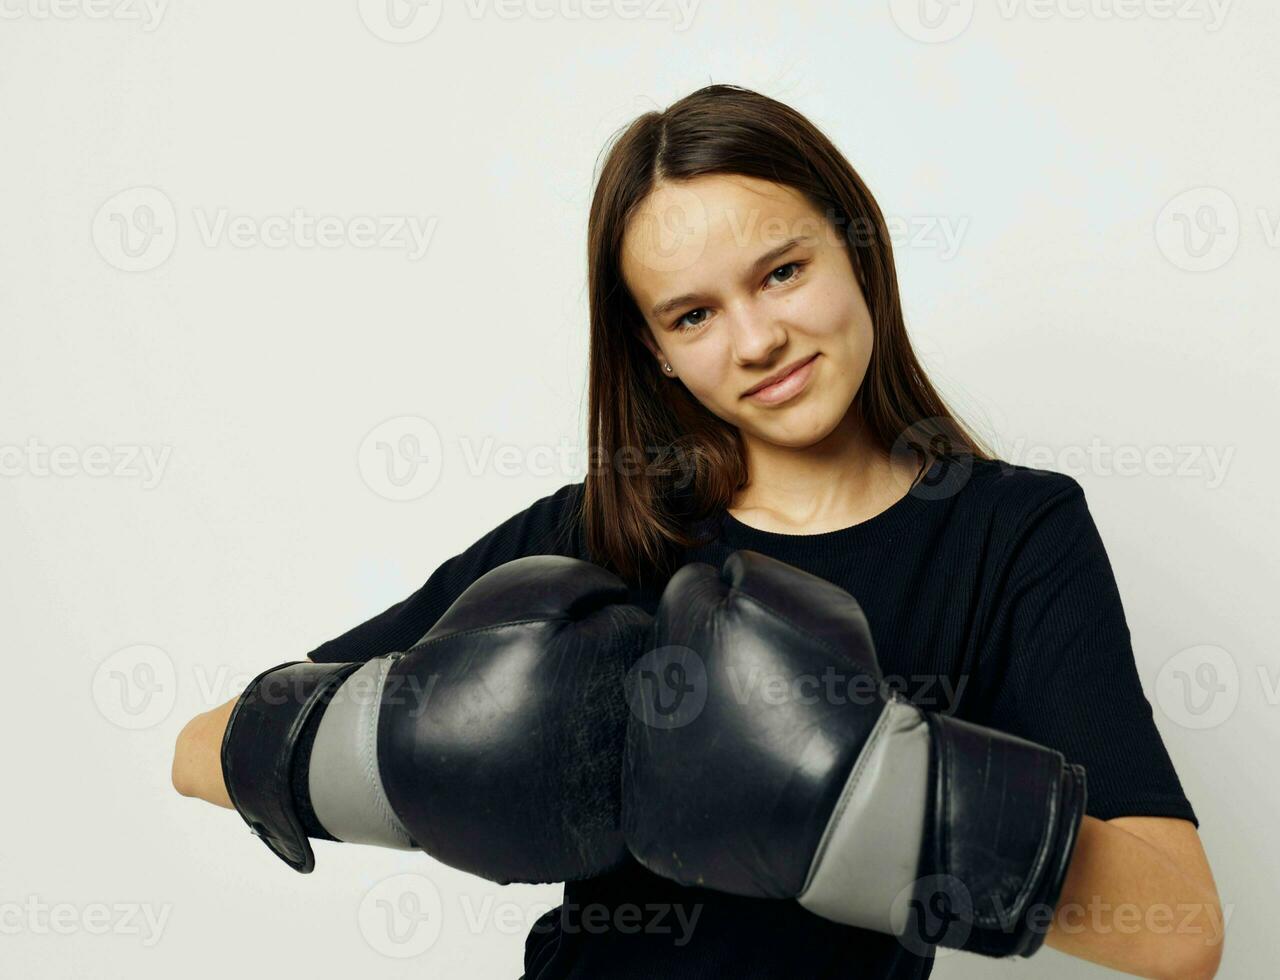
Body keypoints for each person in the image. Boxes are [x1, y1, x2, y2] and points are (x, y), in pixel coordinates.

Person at [172, 83, 1223, 979]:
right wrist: (445, 746)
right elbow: (201, 749)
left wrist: (867, 796)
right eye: (693, 315)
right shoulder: (603, 527)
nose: (760, 339)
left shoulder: (1009, 531)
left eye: (781, 270)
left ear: (857, 247)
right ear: (657, 350)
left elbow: (1182, 926)